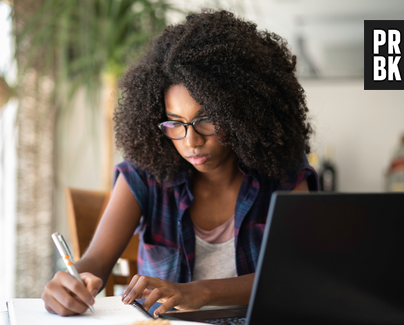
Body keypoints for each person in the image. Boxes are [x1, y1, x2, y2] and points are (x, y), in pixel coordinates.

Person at [41, 9, 319, 317]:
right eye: (175, 123)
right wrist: (70, 283)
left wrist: (199, 292)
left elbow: (296, 275)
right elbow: (95, 263)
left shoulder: (283, 174)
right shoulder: (144, 175)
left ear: (243, 114)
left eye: (207, 120)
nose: (191, 141)